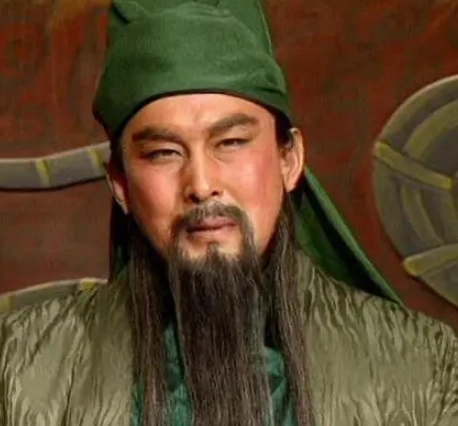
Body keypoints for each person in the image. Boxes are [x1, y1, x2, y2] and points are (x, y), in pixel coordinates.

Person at [1, 0, 457, 425]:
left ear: (289, 159)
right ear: (120, 183)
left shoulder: (422, 366)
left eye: (231, 142)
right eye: (163, 153)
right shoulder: (21, 365)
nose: (201, 184)